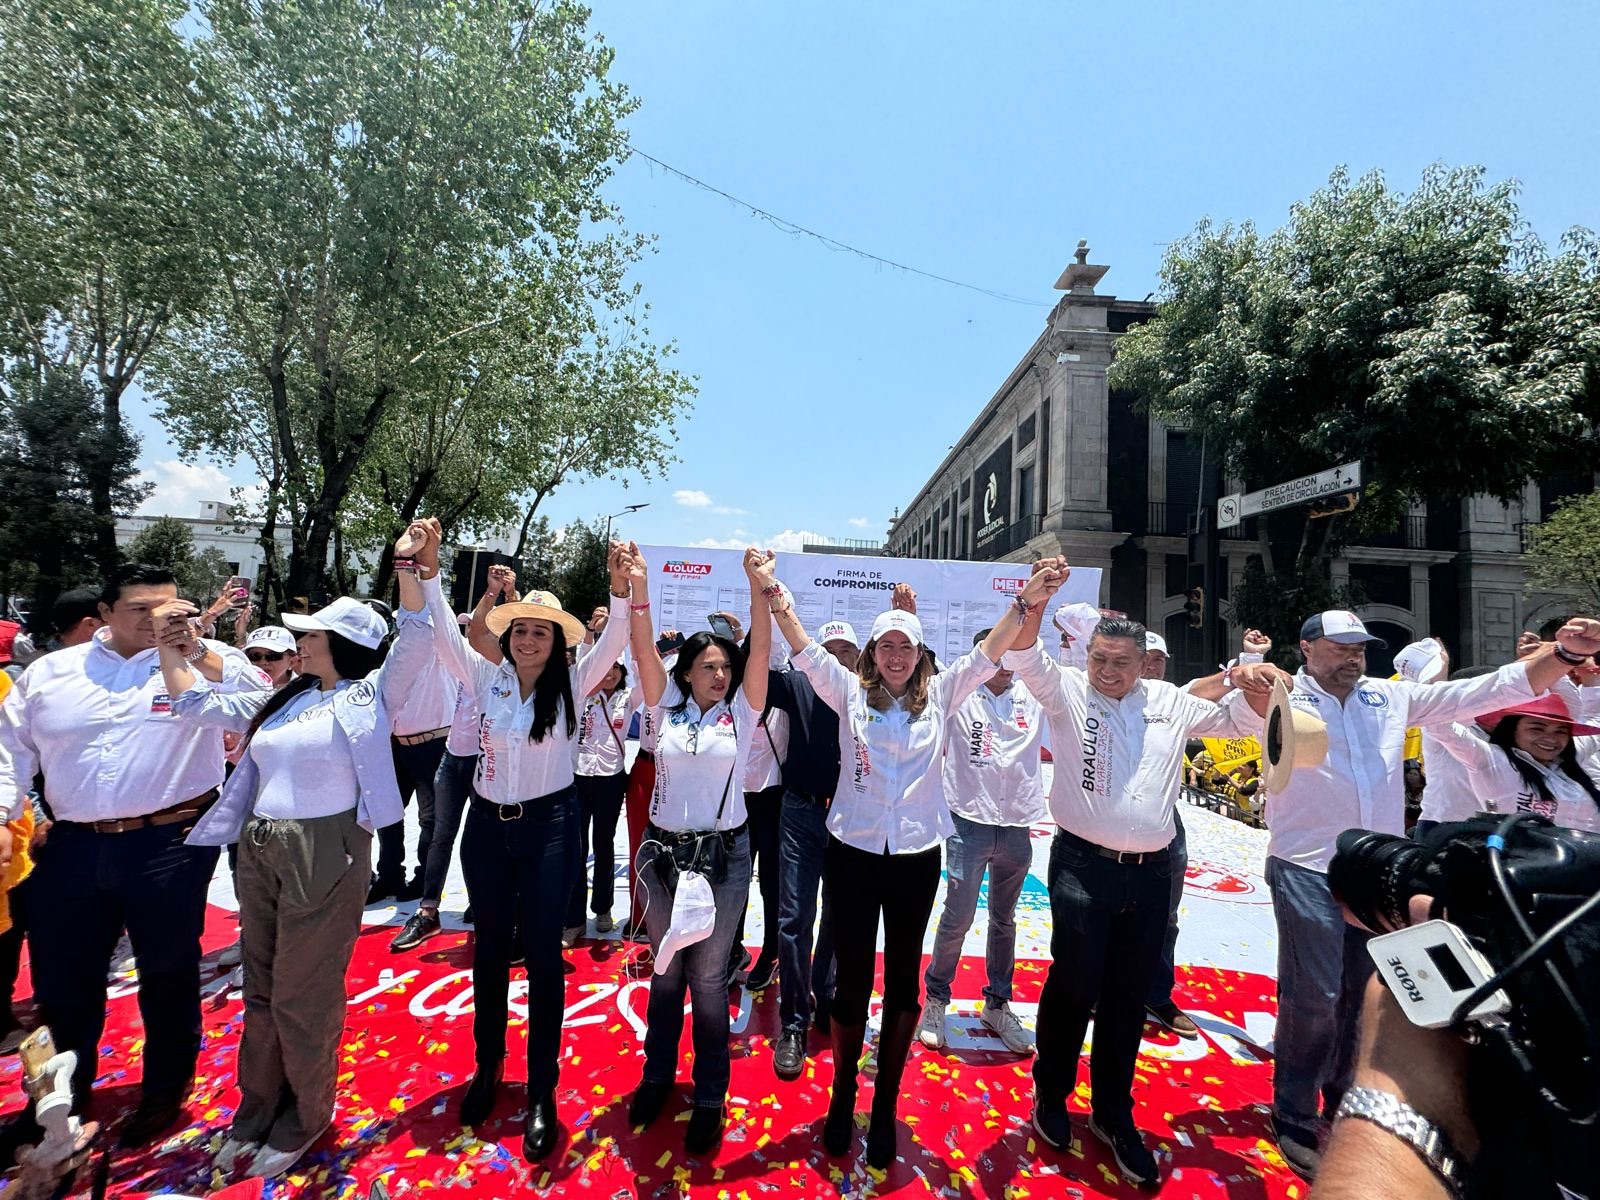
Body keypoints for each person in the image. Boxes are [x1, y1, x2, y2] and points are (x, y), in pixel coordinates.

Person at [1252, 609, 1600, 1180]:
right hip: (1303, 864)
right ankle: (1292, 1110)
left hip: (1368, 872)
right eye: (1338, 648)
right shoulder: (1283, 697)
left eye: (1359, 647)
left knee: (1358, 991)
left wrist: (1559, 658)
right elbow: (1235, 708)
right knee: (1313, 995)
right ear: (1306, 648)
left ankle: (1341, 1100)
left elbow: (1483, 690)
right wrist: (1250, 672)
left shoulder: (1391, 700)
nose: (1351, 657)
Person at [758, 550, 1066, 1168]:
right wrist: (768, 587)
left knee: (901, 985)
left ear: (921, 656)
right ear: (871, 653)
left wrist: (1030, 599)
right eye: (885, 647)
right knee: (850, 984)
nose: (895, 656)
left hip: (916, 858)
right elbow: (800, 643)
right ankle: (844, 1092)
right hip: (852, 852)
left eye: (906, 647)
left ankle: (887, 1100)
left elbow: (994, 647)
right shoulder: (847, 691)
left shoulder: (946, 691)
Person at [159, 524, 435, 1178]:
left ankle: (305, 1116)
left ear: (340, 644)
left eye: (309, 633)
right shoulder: (281, 697)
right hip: (260, 849)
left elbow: (418, 635)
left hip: (327, 853)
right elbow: (195, 702)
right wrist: (175, 648)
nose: (298, 640)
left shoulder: (371, 694)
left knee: (301, 996)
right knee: (262, 986)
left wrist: (408, 561)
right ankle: (256, 1109)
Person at [1001, 577, 1279, 1188]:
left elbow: (1238, 720)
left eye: (1120, 662)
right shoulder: (1068, 690)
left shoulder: (1168, 701)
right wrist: (1036, 604)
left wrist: (1253, 677)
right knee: (1074, 983)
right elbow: (1022, 654)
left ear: (1142, 664)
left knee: (1127, 997)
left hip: (1151, 875)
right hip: (1081, 867)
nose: (1106, 670)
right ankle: (1051, 1095)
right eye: (1099, 658)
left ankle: (1112, 1113)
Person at [0, 564, 270, 1157]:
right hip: (72, 843)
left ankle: (165, 1087)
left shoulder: (203, 658)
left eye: (171, 608)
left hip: (168, 843)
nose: (158, 621)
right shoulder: (52, 673)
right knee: (63, 978)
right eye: (142, 610)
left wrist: (194, 651)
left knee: (168, 970)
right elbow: (10, 748)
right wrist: (3, 816)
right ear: (104, 614)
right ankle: (63, 1097)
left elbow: (256, 705)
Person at [416, 520, 632, 1162]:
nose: (530, 638)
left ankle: (542, 1092)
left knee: (541, 958)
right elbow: (447, 634)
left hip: (552, 831)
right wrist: (430, 571)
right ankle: (488, 1069)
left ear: (559, 641)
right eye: (521, 630)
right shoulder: (484, 680)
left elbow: (616, 636)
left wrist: (620, 589)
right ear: (507, 638)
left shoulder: (576, 682)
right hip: (486, 830)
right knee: (488, 952)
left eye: (542, 631)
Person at [623, 546, 770, 1155]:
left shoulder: (743, 709)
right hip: (663, 855)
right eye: (707, 667)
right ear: (686, 670)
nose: (718, 675)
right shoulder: (664, 709)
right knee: (664, 973)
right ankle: (657, 1077)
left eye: (724, 668)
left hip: (725, 856)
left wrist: (758, 588)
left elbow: (760, 650)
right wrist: (638, 588)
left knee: (709, 980)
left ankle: (710, 1093)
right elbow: (639, 647)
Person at [917, 628, 1045, 1056]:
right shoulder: (959, 695)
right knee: (958, 918)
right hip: (968, 823)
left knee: (1004, 920)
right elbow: (923, 673)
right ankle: (936, 999)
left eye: (1010, 650)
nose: (1004, 658)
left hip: (1016, 825)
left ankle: (998, 1002)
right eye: (996, 651)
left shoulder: (1031, 696)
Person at [765, 619, 852, 1081]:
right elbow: (755, 672)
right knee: (794, 918)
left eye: (847, 650)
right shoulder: (797, 683)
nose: (837, 658)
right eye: (829, 648)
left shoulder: (867, 692)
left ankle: (825, 993)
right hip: (799, 811)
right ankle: (793, 1022)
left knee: (840, 918)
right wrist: (764, 608)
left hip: (850, 817)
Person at [1424, 694, 1600, 832]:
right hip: (1524, 869)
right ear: (1512, 729)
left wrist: (1577, 671)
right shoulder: (1492, 760)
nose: (1550, 738)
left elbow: (1597, 719)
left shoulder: (1569, 757)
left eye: (1560, 731)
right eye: (1537, 728)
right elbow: (1437, 723)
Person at [564, 655, 635, 944]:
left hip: (611, 779)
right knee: (576, 848)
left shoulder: (628, 698)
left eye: (616, 668)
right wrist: (594, 635)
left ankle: (603, 909)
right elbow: (584, 660)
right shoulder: (580, 692)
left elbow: (645, 674)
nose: (610, 673)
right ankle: (573, 919)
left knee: (604, 845)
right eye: (605, 667)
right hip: (578, 776)